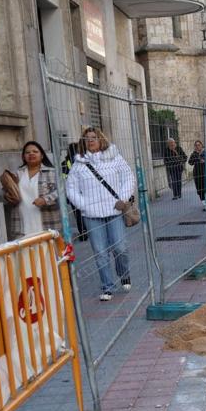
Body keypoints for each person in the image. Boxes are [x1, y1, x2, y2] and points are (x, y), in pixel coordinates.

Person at [66, 127, 136, 302]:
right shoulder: (78, 164)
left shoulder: (114, 157)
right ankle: (107, 287)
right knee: (100, 252)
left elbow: (129, 177)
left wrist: (122, 198)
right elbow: (70, 188)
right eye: (87, 138)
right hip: (92, 215)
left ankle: (124, 274)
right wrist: (84, 205)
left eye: (94, 137)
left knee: (120, 248)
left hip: (114, 210)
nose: (90, 141)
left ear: (101, 139)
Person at [1, 141, 61, 239]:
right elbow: (1, 194)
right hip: (22, 228)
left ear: (42, 155)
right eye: (27, 152)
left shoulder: (52, 172)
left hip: (47, 225)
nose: (31, 154)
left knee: (47, 254)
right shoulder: (16, 174)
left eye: (35, 151)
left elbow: (62, 192)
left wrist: (45, 200)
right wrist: (6, 195)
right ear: (23, 156)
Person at [61, 142, 88, 240]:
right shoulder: (83, 160)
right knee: (87, 212)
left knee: (78, 214)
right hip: (85, 190)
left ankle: (83, 234)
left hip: (72, 191)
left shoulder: (64, 163)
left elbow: (63, 178)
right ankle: (88, 231)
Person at [189, 140, 206, 210]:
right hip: (197, 174)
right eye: (196, 145)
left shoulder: (205, 153)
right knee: (200, 190)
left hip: (205, 174)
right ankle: (205, 204)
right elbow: (190, 162)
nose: (197, 146)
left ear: (201, 145)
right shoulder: (194, 154)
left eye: (199, 145)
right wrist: (195, 156)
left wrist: (204, 161)